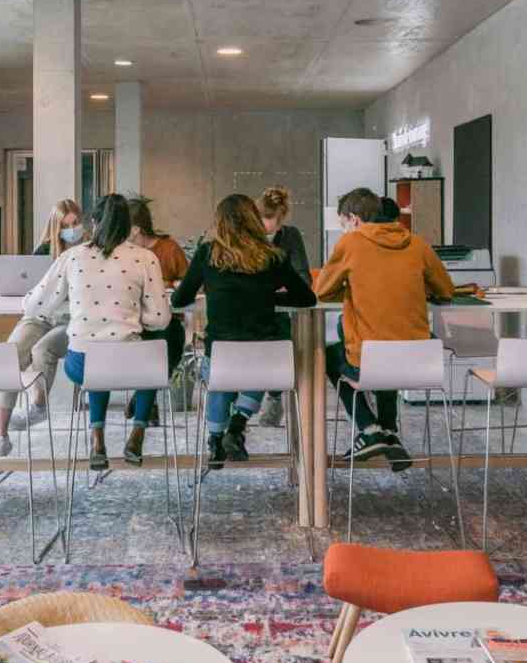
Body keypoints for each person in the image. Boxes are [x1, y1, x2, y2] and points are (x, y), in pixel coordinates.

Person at [23, 193, 171, 470]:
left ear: (93, 222)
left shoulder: (72, 256)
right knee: (151, 356)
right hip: (132, 366)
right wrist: (133, 316)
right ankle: (138, 432)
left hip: (82, 365)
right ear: (129, 226)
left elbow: (34, 305)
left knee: (97, 358)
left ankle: (97, 439)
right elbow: (161, 319)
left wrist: (74, 308)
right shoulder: (145, 258)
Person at [313, 186, 455, 470]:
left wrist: (351, 288)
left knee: (329, 356)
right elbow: (446, 290)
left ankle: (369, 429)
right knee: (386, 342)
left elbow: (322, 290)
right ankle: (389, 433)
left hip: (372, 359)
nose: (343, 230)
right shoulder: (417, 244)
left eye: (343, 224)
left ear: (354, 220)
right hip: (419, 362)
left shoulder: (351, 244)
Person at [171, 195, 316, 468]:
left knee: (220, 377)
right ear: (253, 220)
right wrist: (266, 297)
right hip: (262, 359)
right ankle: (237, 425)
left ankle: (215, 441)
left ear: (220, 223)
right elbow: (306, 298)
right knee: (259, 365)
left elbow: (179, 300)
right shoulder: (273, 257)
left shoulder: (207, 253)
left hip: (221, 356)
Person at [0, 199, 83, 456]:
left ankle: (38, 405)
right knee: (11, 354)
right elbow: (34, 291)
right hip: (40, 316)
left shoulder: (86, 251)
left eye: (76, 223)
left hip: (69, 318)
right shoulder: (43, 252)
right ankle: (0, 435)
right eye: (66, 226)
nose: (73, 230)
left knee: (42, 350)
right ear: (56, 227)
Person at [250, 186, 310, 425]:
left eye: (270, 219)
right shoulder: (246, 237)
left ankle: (273, 397)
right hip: (252, 309)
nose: (265, 224)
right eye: (261, 218)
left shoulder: (290, 236)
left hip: (280, 311)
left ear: (281, 217)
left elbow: (303, 278)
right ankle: (250, 400)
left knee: (282, 337)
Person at [126, 197, 188, 425]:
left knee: (171, 338)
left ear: (135, 229)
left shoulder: (169, 248)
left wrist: (172, 285)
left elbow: (188, 283)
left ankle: (144, 396)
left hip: (166, 318)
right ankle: (147, 399)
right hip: (132, 321)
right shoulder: (122, 253)